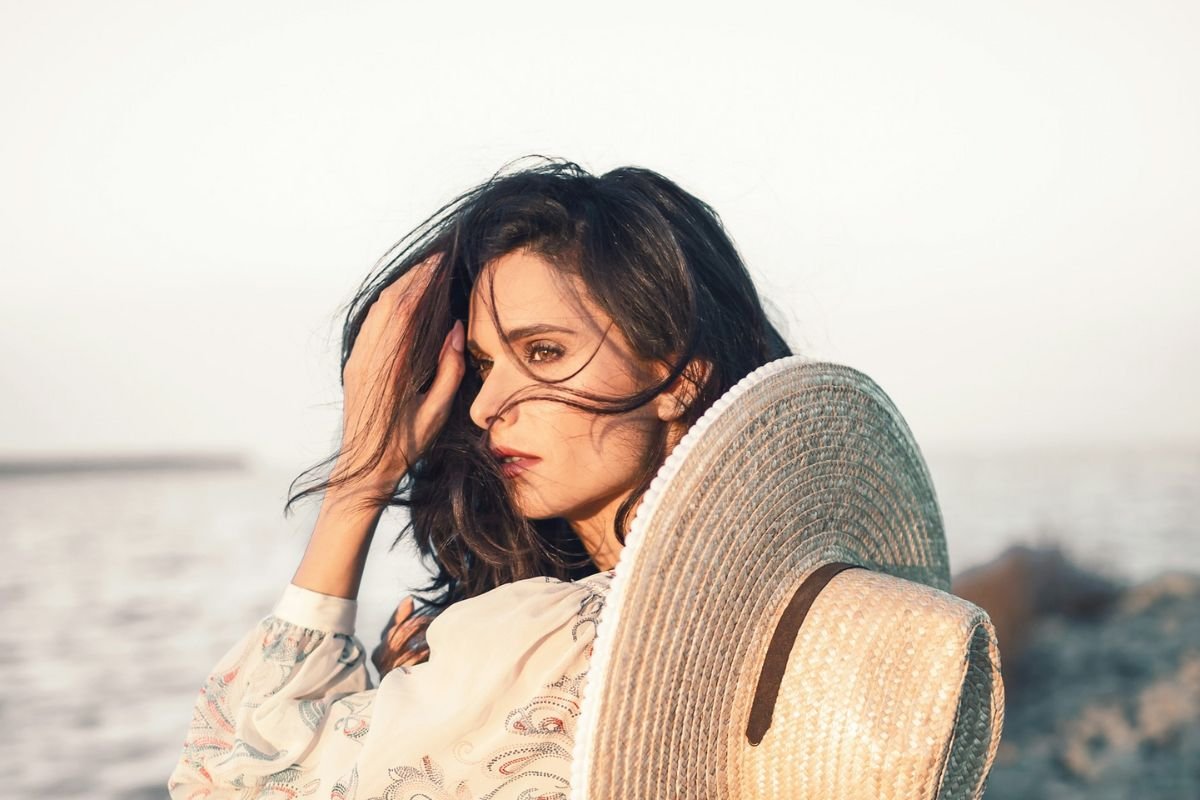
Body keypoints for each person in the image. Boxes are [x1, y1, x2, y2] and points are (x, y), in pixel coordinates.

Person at [167, 156, 792, 798]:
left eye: (544, 352)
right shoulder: (773, 609)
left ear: (680, 381)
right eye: (485, 365)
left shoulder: (545, 640)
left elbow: (231, 782)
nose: (484, 405)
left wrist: (361, 480)